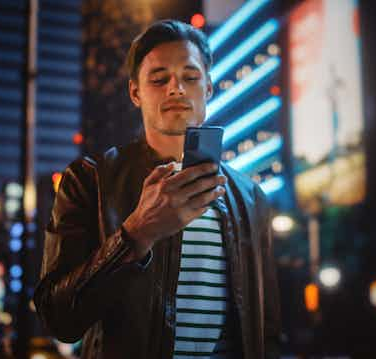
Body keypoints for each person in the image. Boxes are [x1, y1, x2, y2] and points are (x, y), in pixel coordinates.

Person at [33, 19, 281, 359]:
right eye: (159, 78)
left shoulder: (251, 197)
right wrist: (136, 233)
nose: (176, 88)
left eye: (190, 77)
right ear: (135, 92)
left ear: (208, 87)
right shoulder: (91, 180)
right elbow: (57, 317)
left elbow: (266, 329)